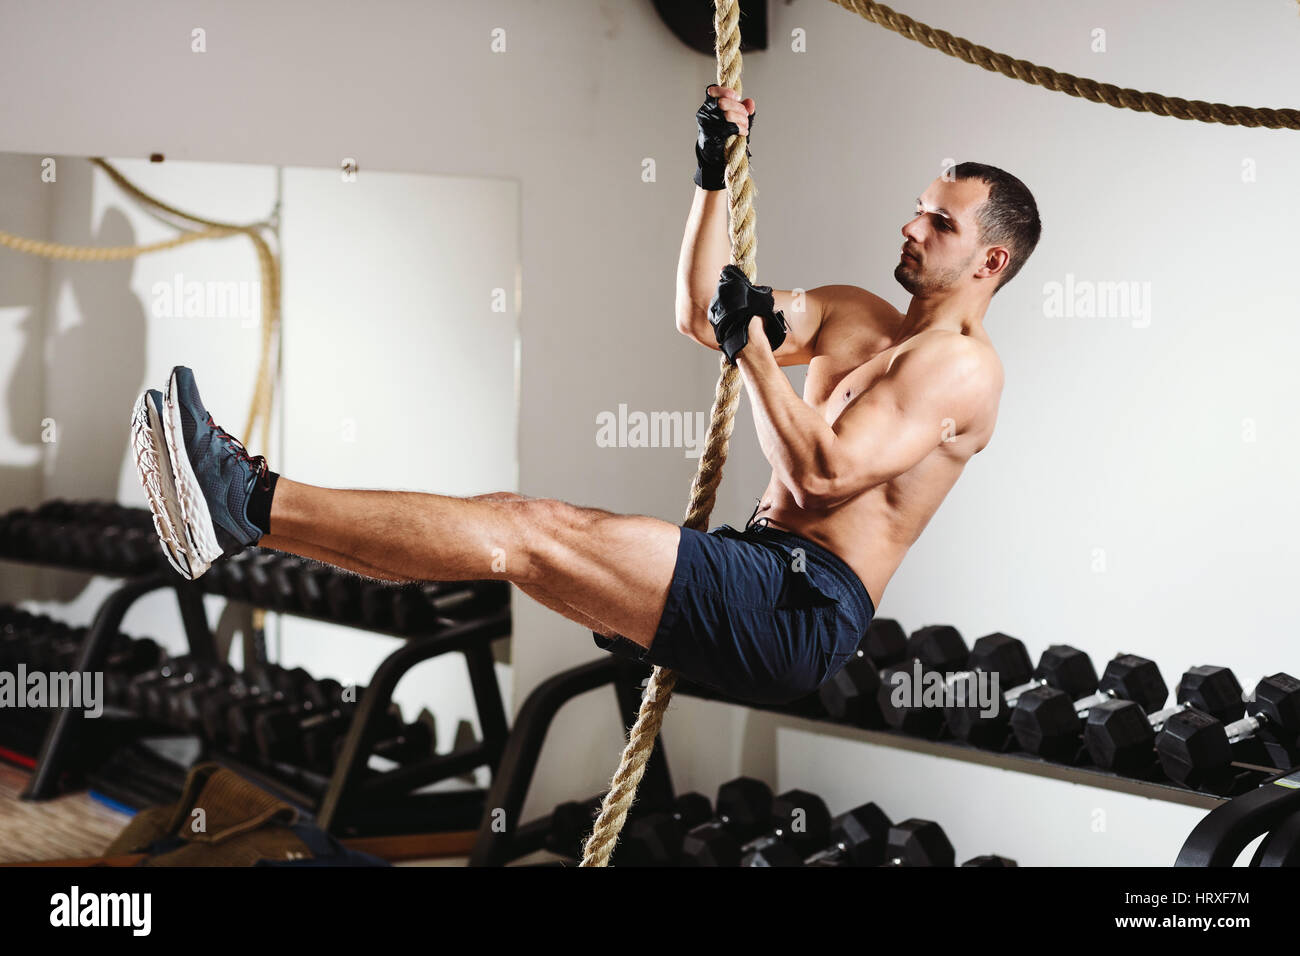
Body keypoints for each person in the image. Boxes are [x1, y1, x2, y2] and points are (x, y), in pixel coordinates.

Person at [129, 85, 1040, 707]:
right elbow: (696, 311)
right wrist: (712, 176)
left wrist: (755, 355)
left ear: (989, 262)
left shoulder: (965, 369)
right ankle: (242, 516)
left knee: (527, 530)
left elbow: (824, 467)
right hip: (761, 567)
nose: (912, 224)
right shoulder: (854, 315)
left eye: (940, 221)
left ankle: (245, 499)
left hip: (801, 611)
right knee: (511, 533)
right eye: (919, 206)